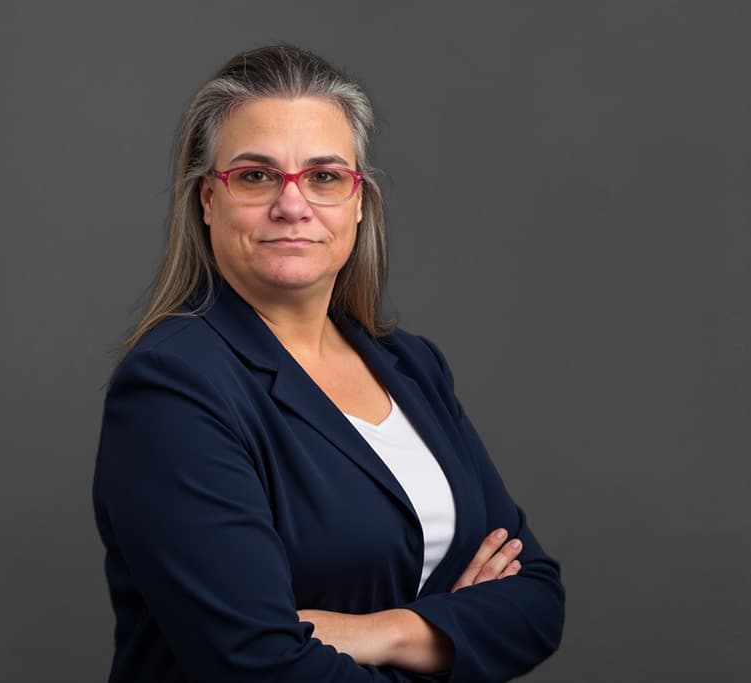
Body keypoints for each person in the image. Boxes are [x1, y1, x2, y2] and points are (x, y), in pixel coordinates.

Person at [92, 45, 565, 683]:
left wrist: (382, 632)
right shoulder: (172, 388)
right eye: (255, 176)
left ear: (359, 200)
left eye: (324, 176)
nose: (293, 205)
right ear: (208, 199)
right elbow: (263, 668)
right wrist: (460, 635)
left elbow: (536, 600)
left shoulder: (412, 365)